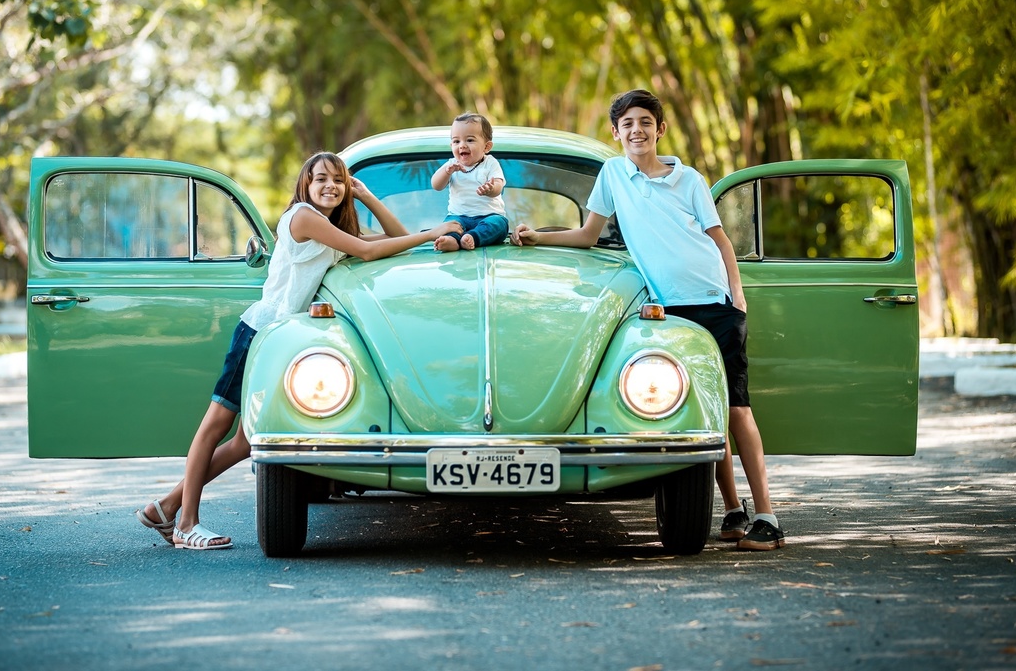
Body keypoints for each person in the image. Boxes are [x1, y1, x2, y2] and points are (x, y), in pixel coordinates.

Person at [136, 152, 462, 550]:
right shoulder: (304, 217)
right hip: (259, 330)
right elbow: (371, 251)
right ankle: (186, 523)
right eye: (321, 178)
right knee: (215, 425)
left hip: (282, 338)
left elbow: (396, 238)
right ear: (305, 185)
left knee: (242, 442)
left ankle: (165, 507)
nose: (331, 186)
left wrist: (367, 197)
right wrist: (433, 233)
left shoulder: (331, 229)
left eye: (338, 181)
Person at [510, 89, 784, 551]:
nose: (636, 130)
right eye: (627, 124)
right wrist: (538, 237)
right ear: (615, 133)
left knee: (737, 408)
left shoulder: (689, 179)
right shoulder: (613, 174)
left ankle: (767, 516)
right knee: (703, 412)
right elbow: (587, 234)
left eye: (644, 122)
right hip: (665, 309)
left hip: (712, 301)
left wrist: (737, 297)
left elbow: (718, 240)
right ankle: (732, 511)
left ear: (660, 129)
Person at [430, 112, 508, 251]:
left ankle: (472, 237)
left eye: (470, 140)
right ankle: (452, 240)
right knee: (449, 225)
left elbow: (499, 184)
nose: (462, 145)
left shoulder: (490, 163)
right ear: (451, 145)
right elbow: (435, 185)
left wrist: (491, 189)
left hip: (488, 216)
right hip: (459, 216)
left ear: (486, 147)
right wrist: (447, 172)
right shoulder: (452, 164)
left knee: (499, 224)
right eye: (456, 141)